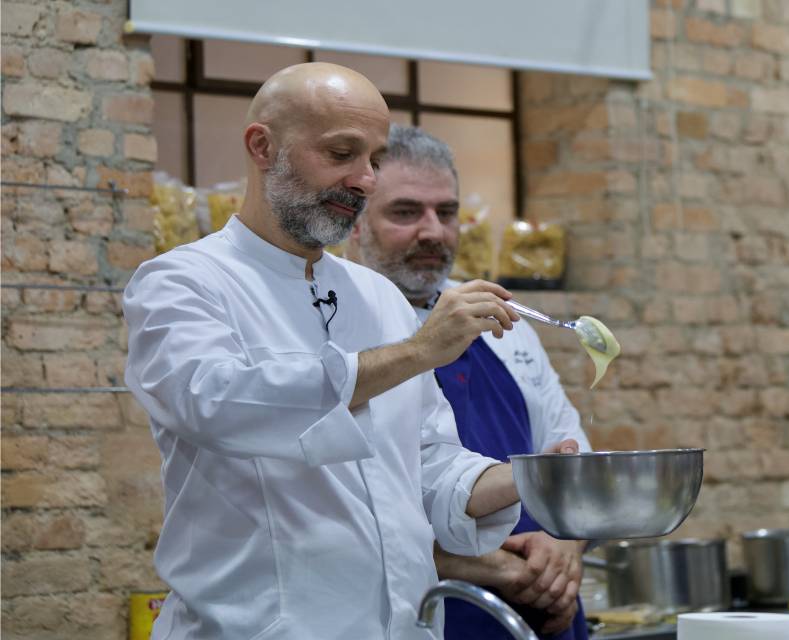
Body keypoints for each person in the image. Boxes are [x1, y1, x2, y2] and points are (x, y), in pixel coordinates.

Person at [123, 63, 576, 640]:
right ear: (262, 147)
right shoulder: (183, 282)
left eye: (375, 160)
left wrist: (530, 479)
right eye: (342, 153)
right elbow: (219, 403)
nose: (364, 179)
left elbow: (430, 463)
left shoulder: (377, 297)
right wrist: (417, 351)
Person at [350, 124, 592, 640]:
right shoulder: (343, 331)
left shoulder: (506, 321)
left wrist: (564, 552)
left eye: (447, 212)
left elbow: (572, 455)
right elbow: (353, 512)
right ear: (354, 222)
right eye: (405, 212)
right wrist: (493, 567)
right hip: (429, 611)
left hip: (542, 613)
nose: (433, 231)